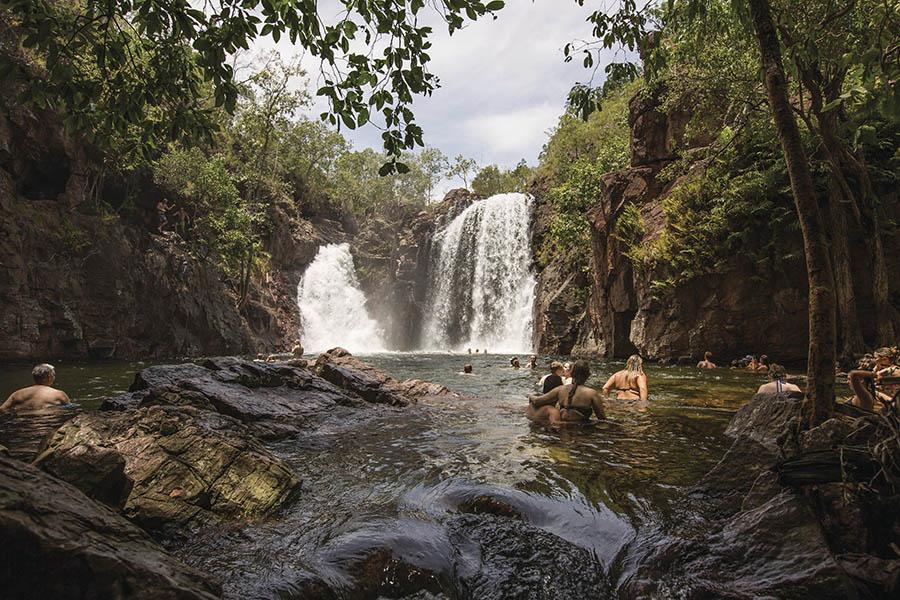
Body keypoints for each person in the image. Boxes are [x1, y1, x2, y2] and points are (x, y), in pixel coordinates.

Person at [527, 360, 605, 423]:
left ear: (572, 373)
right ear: (588, 375)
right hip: (581, 432)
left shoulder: (560, 389)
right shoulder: (592, 393)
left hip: (560, 431)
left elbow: (537, 401)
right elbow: (601, 418)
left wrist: (530, 396)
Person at [1, 364, 71, 412]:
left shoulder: (17, 394)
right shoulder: (59, 394)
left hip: (23, 424)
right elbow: (70, 409)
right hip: (47, 424)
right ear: (49, 377)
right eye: (54, 375)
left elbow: (2, 409)